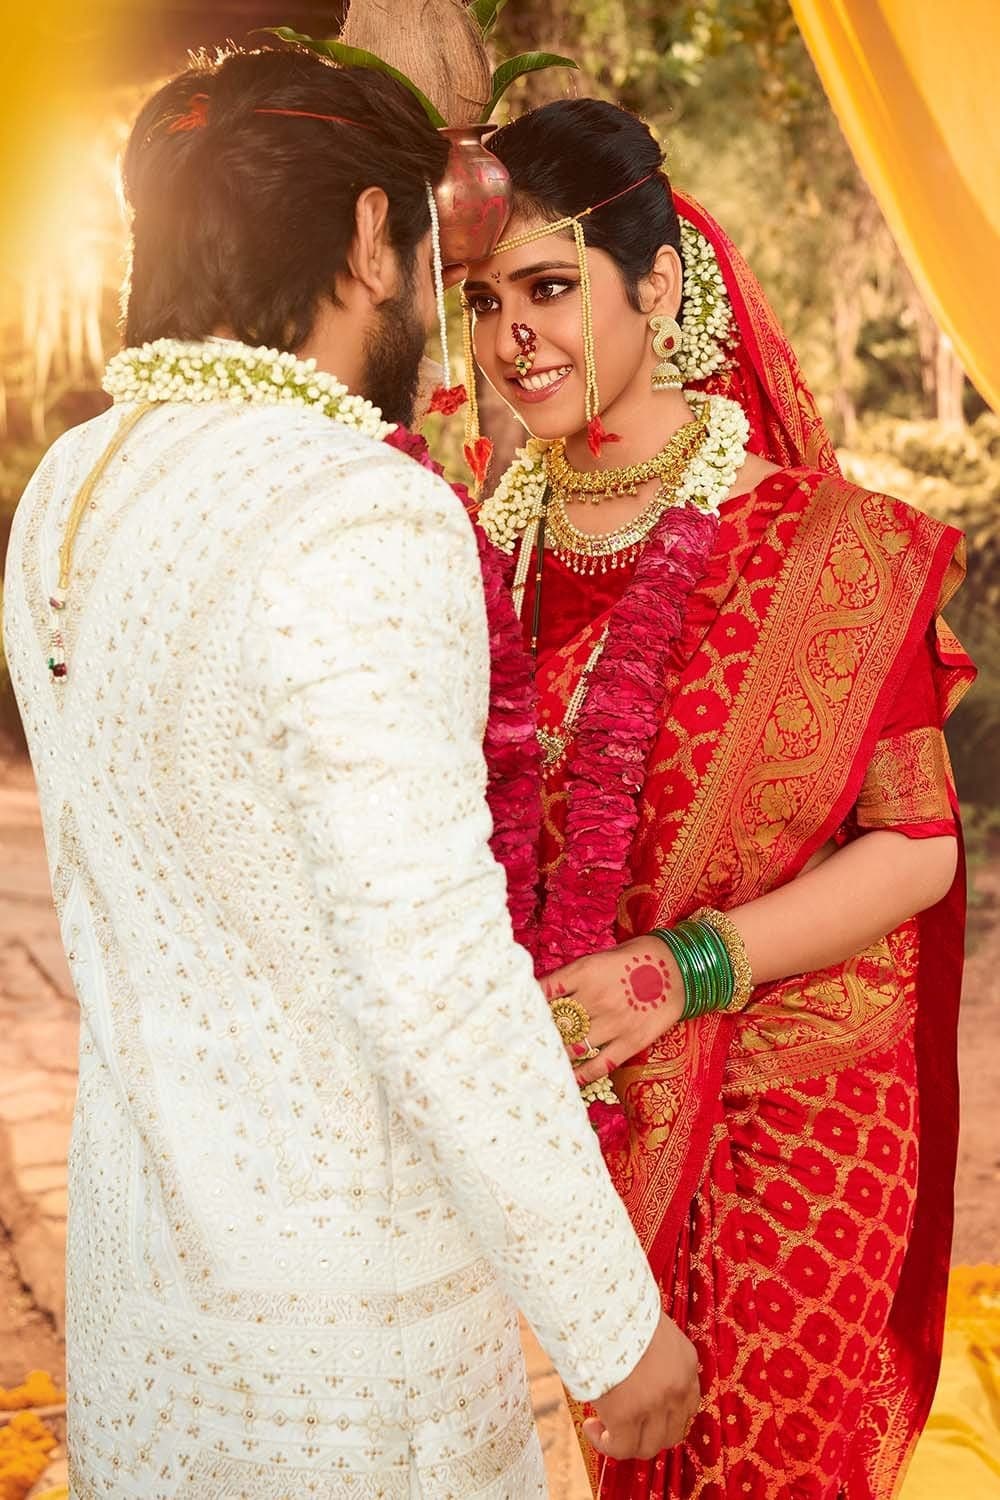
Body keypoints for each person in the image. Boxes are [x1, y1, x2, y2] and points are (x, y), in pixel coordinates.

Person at [2, 53, 702, 1498]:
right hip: (345, 1354)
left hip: (147, 1325)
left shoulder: (65, 490)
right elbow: (432, 971)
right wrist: (610, 1322)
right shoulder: (359, 510)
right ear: (372, 237)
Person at [465, 97, 975, 1499]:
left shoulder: (824, 545)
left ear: (662, 284)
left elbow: (919, 847)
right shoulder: (471, 558)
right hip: (598, 1129)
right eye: (484, 300)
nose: (517, 338)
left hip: (796, 1107)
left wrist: (684, 966)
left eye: (552, 286)